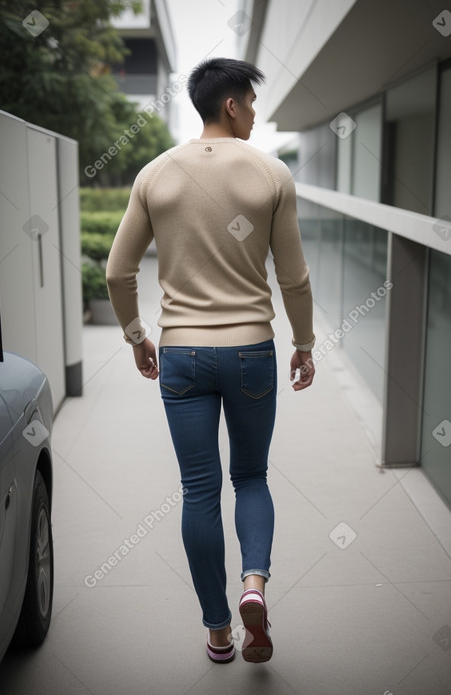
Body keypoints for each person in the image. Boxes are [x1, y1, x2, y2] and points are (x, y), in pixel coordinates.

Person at [106, 57, 316, 664]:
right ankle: (255, 584)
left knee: (199, 491)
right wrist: (303, 345)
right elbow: (294, 279)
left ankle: (219, 632)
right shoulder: (271, 173)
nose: (254, 113)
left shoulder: (155, 174)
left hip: (183, 355)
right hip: (251, 351)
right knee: (250, 477)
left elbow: (118, 271)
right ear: (231, 105)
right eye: (251, 103)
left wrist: (136, 335)